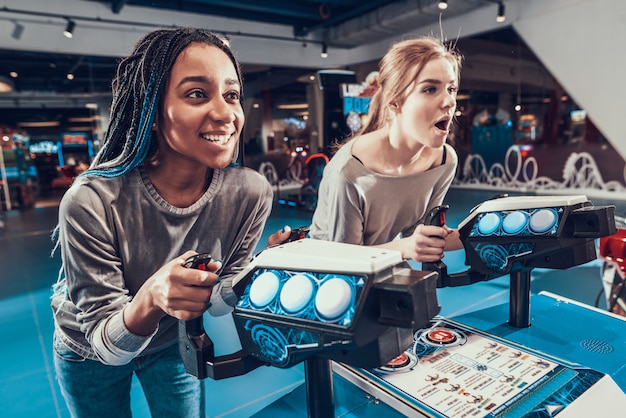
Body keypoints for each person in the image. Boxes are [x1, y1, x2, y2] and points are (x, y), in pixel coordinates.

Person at [50, 27, 289, 418]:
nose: (225, 113)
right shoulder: (91, 200)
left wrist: (263, 268)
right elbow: (109, 348)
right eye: (197, 93)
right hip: (89, 349)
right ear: (153, 112)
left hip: (169, 344)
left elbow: (217, 298)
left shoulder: (250, 192)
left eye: (231, 95)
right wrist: (152, 295)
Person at [309, 36, 464, 263]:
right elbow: (343, 261)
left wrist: (487, 232)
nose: (449, 101)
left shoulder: (444, 161)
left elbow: (422, 236)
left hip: (382, 266)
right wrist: (405, 248)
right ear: (394, 103)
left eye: (451, 88)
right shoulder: (350, 173)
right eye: (430, 89)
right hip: (326, 280)